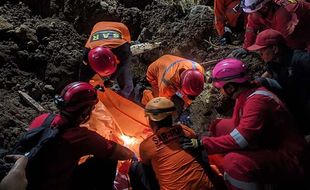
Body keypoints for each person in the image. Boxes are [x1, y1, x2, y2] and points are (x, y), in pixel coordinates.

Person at [180, 58, 306, 189]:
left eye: (221, 88)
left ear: (230, 87)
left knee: (234, 163)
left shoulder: (257, 102)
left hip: (289, 156)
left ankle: (258, 183)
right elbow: (238, 126)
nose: (221, 92)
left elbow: (241, 140)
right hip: (269, 139)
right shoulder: (246, 93)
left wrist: (203, 144)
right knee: (219, 126)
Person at [26, 82, 135, 190]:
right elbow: (123, 153)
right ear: (85, 111)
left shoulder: (43, 119)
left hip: (31, 180)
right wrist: (132, 154)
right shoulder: (82, 137)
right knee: (107, 161)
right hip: (58, 184)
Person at [139, 97, 213, 190]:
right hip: (205, 186)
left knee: (138, 167)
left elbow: (147, 169)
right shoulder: (185, 130)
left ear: (151, 121)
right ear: (171, 116)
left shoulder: (146, 147)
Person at [247, 29, 310, 135]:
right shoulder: (273, 62)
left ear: (275, 48)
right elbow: (267, 75)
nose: (260, 54)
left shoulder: (301, 60)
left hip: (305, 99)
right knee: (260, 82)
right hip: (290, 96)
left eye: (262, 50)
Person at [232, 0, 310, 57]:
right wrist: (246, 48)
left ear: (264, 8)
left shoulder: (284, 14)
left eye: (253, 12)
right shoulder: (259, 11)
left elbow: (283, 42)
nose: (251, 15)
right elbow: (251, 28)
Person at [79, 21, 133, 98]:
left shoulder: (123, 49)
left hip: (121, 27)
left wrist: (112, 80)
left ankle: (124, 94)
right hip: (98, 26)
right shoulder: (87, 53)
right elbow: (83, 73)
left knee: (125, 72)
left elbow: (123, 65)